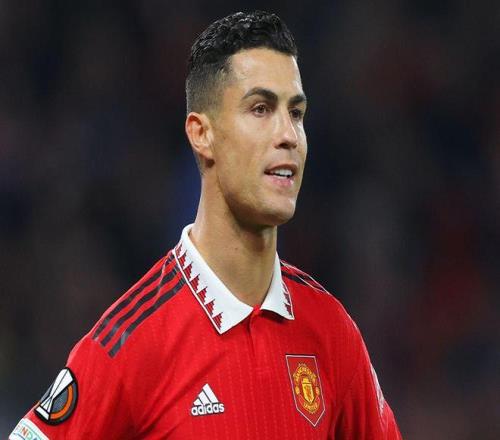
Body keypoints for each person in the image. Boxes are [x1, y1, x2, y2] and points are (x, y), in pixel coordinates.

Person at [10, 11, 402, 439]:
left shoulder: (331, 330)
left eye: (296, 112)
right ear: (202, 134)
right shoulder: (133, 342)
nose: (288, 134)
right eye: (260, 109)